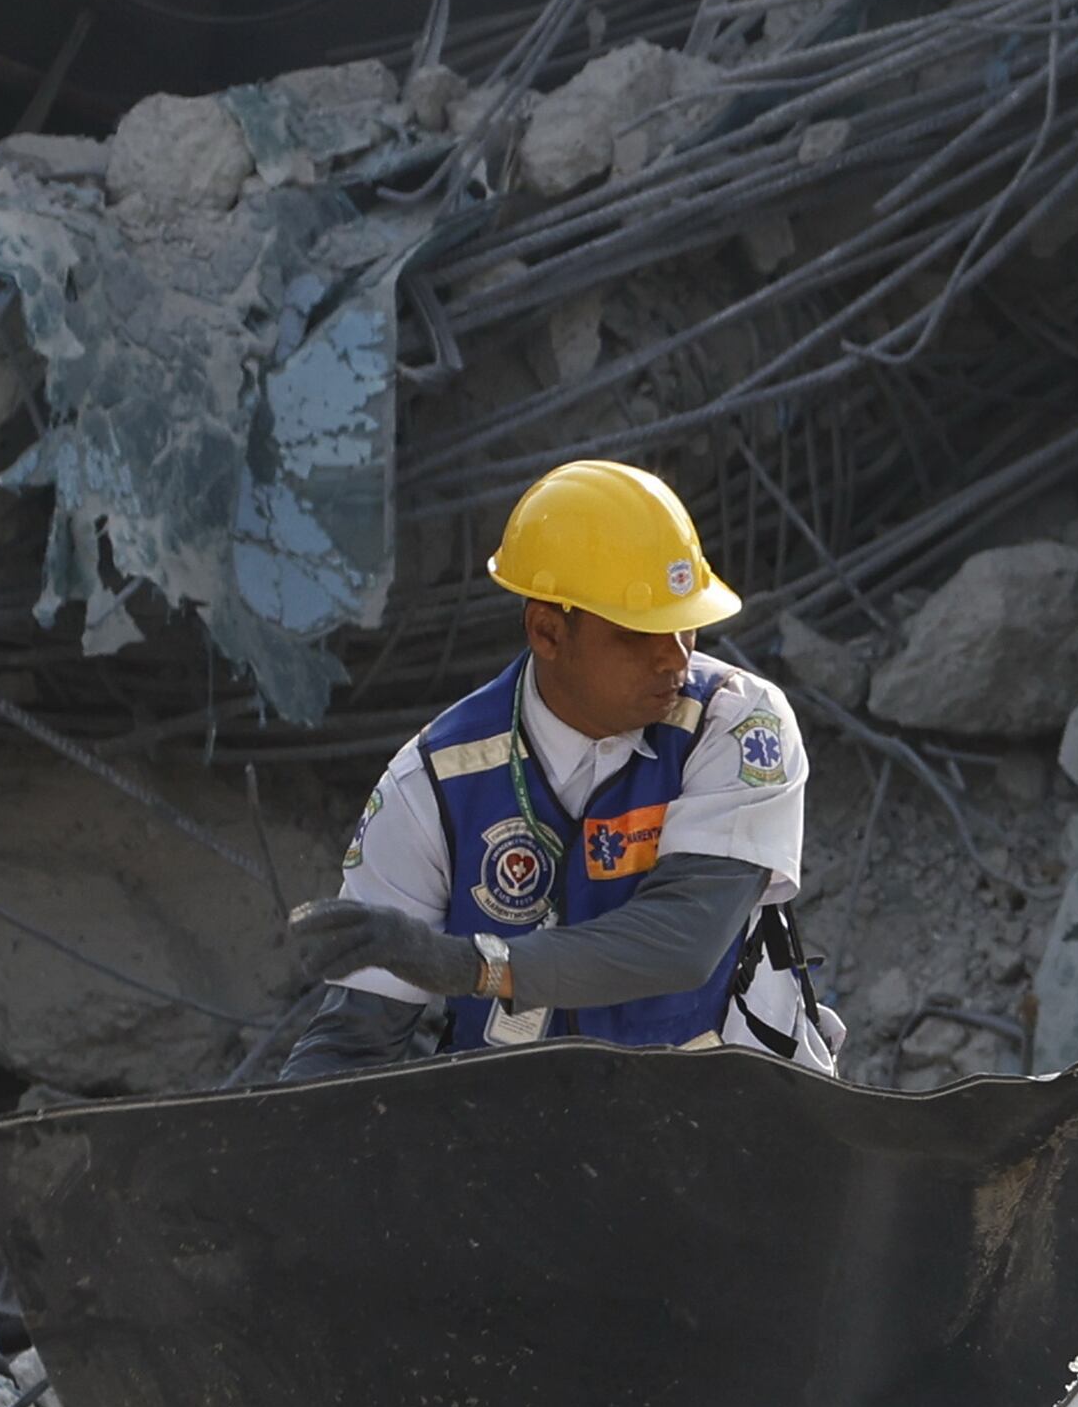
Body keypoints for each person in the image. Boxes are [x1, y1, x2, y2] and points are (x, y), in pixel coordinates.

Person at [276, 459, 838, 1073]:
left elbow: (684, 941)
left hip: (721, 1115)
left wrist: (467, 964)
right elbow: (355, 1043)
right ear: (547, 631)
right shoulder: (434, 784)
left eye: (685, 629)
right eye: (637, 634)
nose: (673, 661)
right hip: (526, 1135)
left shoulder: (734, 722)